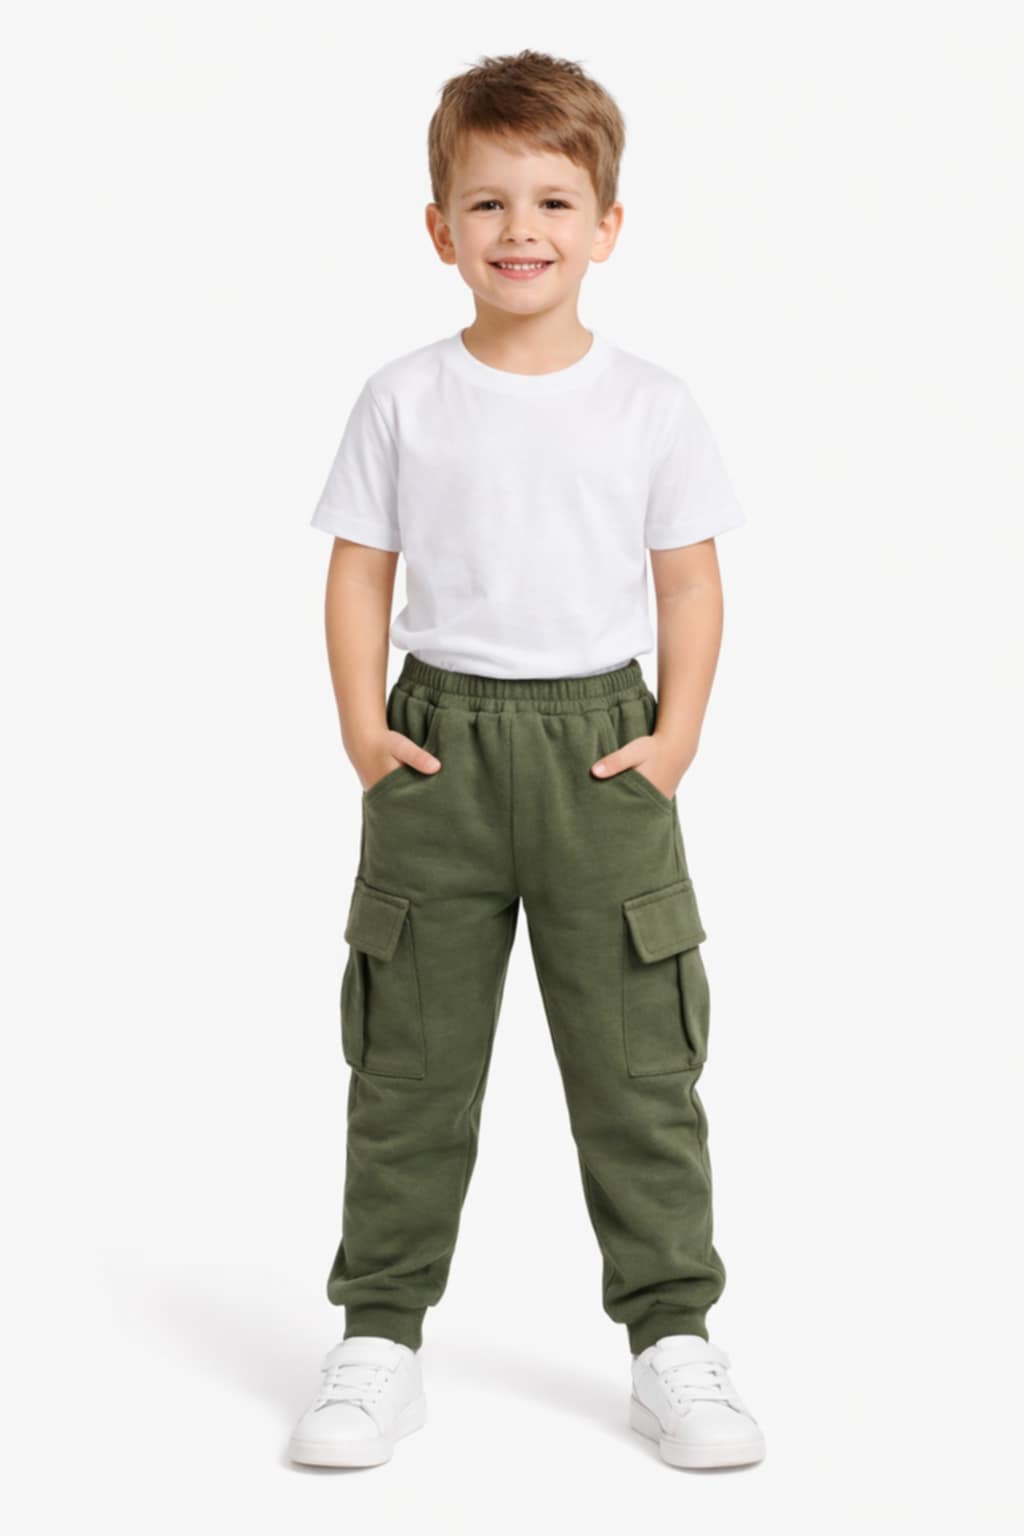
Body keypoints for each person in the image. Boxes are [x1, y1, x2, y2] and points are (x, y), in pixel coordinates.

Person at [289, 48, 766, 1472]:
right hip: (436, 752)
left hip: (603, 756)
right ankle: (379, 1337)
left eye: (554, 202)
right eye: (488, 203)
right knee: (408, 1063)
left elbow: (689, 581)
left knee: (638, 1065)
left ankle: (672, 1339)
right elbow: (360, 570)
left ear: (606, 226)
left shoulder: (651, 404)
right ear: (440, 227)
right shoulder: (404, 397)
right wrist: (364, 729)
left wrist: (674, 739)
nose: (521, 230)